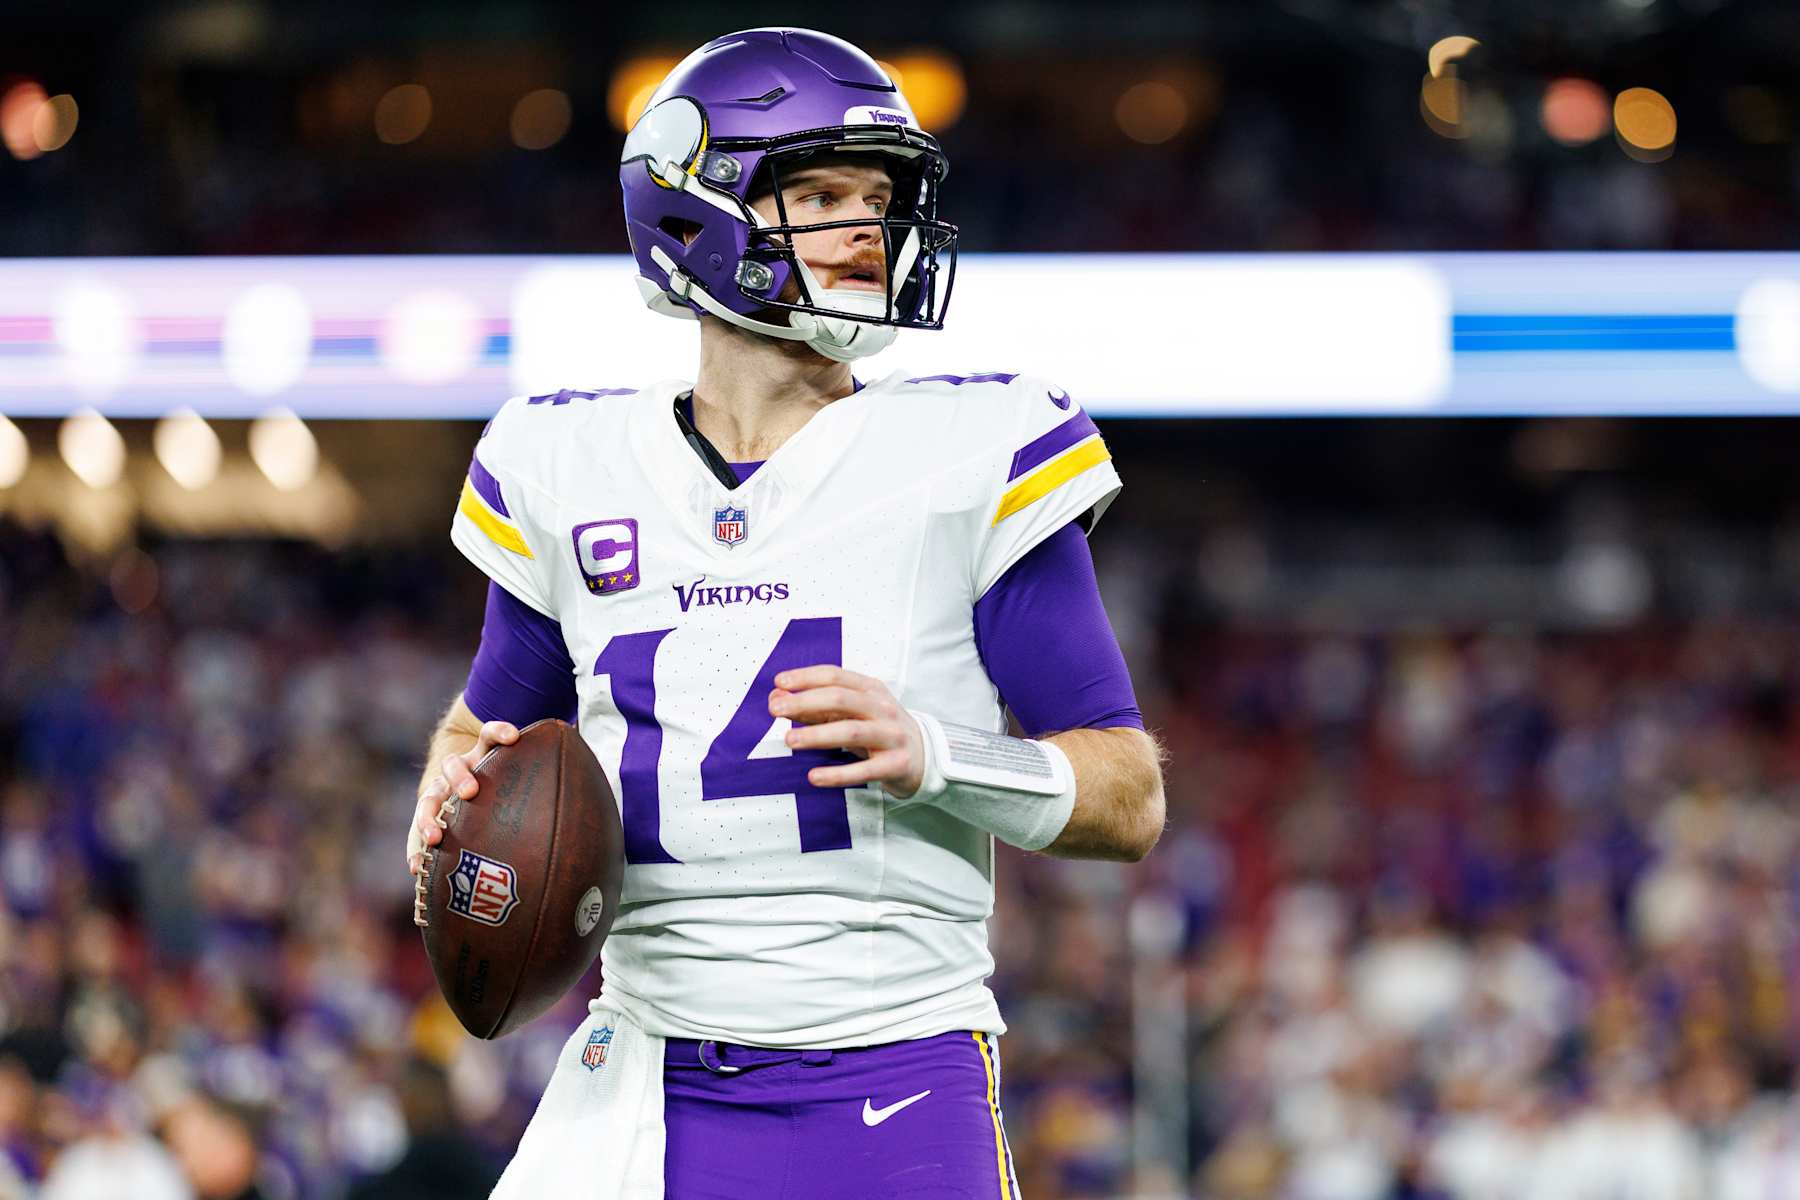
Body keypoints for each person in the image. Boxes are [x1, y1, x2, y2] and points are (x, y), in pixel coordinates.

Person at [406, 27, 1164, 1199]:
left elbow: (1131, 793)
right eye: (820, 195)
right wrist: (449, 793)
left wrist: (937, 757)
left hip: (894, 1067)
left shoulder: (972, 446)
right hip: (644, 1071)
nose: (867, 230)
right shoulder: (563, 462)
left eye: (879, 198)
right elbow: (482, 732)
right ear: (692, 213)